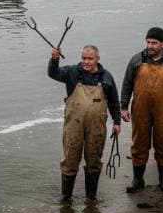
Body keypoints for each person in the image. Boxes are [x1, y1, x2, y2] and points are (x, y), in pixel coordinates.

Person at [48, 45, 121, 203]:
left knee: (94, 158)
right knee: (70, 157)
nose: (86, 62)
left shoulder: (106, 77)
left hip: (97, 126)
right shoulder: (72, 72)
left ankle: (91, 196)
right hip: (74, 124)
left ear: (97, 59)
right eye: (84, 58)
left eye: (90, 59)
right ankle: (66, 196)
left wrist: (117, 122)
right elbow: (53, 73)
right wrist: (54, 59)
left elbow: (114, 101)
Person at [120, 27, 163, 193]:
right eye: (148, 42)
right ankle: (137, 180)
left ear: (162, 43)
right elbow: (127, 85)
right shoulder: (136, 60)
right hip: (140, 109)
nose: (150, 46)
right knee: (139, 143)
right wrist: (123, 107)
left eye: (154, 43)